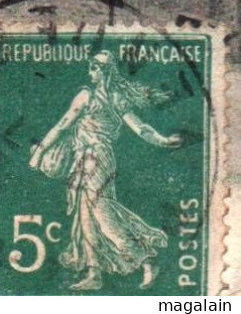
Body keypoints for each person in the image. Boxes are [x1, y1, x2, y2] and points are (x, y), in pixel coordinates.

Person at [28, 52, 181, 290]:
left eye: (94, 68)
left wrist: (162, 141)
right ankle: (94, 273)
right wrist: (40, 151)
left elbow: (139, 127)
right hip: (82, 159)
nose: (90, 72)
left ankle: (145, 258)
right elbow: (63, 124)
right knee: (85, 216)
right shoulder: (91, 96)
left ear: (104, 71)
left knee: (101, 212)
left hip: (97, 158)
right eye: (90, 67)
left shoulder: (102, 97)